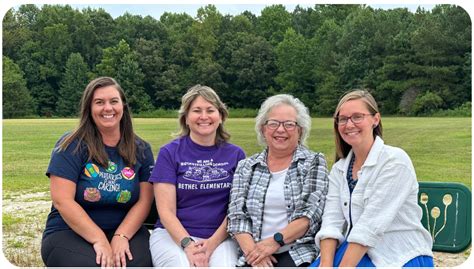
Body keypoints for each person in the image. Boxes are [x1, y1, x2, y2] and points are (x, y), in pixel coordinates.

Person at [41, 77, 155, 267]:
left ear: (123, 106)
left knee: (140, 263)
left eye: (113, 101)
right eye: (99, 102)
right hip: (69, 231)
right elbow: (63, 200)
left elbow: (145, 200)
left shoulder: (141, 149)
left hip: (125, 230)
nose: (107, 108)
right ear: (89, 108)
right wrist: (99, 239)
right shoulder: (71, 145)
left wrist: (121, 235)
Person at [312, 90, 434, 267]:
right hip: (356, 251)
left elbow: (369, 227)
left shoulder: (395, 161)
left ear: (375, 119)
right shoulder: (340, 169)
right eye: (343, 119)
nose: (349, 124)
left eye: (357, 117)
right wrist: (325, 264)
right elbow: (331, 221)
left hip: (399, 254)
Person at [148, 84, 246, 267]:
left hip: (221, 237)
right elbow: (166, 211)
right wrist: (188, 245)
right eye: (196, 111)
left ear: (221, 116)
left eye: (210, 110)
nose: (204, 117)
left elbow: (236, 210)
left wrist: (211, 244)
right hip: (173, 236)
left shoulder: (236, 155)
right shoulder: (169, 153)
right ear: (185, 118)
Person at [227, 94, 329, 267]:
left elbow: (309, 216)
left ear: (300, 130)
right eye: (273, 123)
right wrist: (255, 254)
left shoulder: (314, 162)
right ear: (263, 129)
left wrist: (271, 244)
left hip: (297, 252)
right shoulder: (246, 166)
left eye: (289, 124)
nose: (280, 130)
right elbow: (237, 217)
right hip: (253, 252)